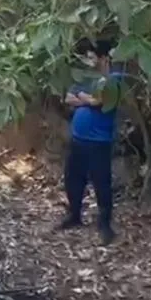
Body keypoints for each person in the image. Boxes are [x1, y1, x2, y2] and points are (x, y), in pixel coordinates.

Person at [59, 39, 123, 246]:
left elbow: (101, 101)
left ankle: (105, 225)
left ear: (104, 58)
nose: (88, 61)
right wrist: (88, 98)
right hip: (78, 139)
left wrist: (85, 98)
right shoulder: (85, 77)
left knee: (101, 184)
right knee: (73, 179)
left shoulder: (114, 78)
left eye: (92, 57)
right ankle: (74, 215)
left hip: (99, 141)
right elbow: (69, 98)